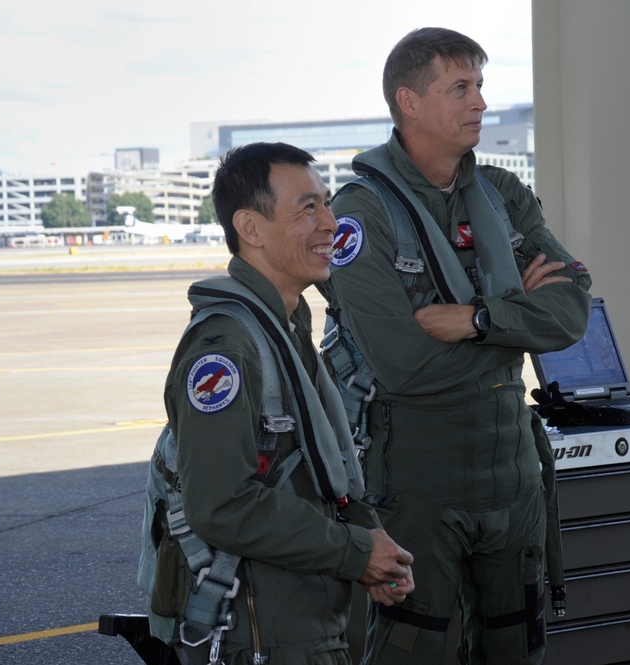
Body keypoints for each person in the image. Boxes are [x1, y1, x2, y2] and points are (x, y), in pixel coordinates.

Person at [318, 28, 593, 664]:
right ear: (408, 101)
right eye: (460, 88)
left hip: (512, 476)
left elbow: (571, 310)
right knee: (418, 647)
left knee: (515, 644)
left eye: (480, 87)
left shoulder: (501, 194)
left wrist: (474, 320)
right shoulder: (363, 214)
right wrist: (516, 321)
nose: (480, 104)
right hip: (418, 482)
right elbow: (404, 364)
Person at [159, 142, 415, 664]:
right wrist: (354, 552)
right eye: (308, 208)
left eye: (326, 202)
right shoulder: (228, 348)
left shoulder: (286, 326)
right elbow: (223, 506)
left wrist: (371, 542)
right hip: (258, 633)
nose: (331, 222)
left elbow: (315, 471)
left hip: (302, 620)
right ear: (250, 229)